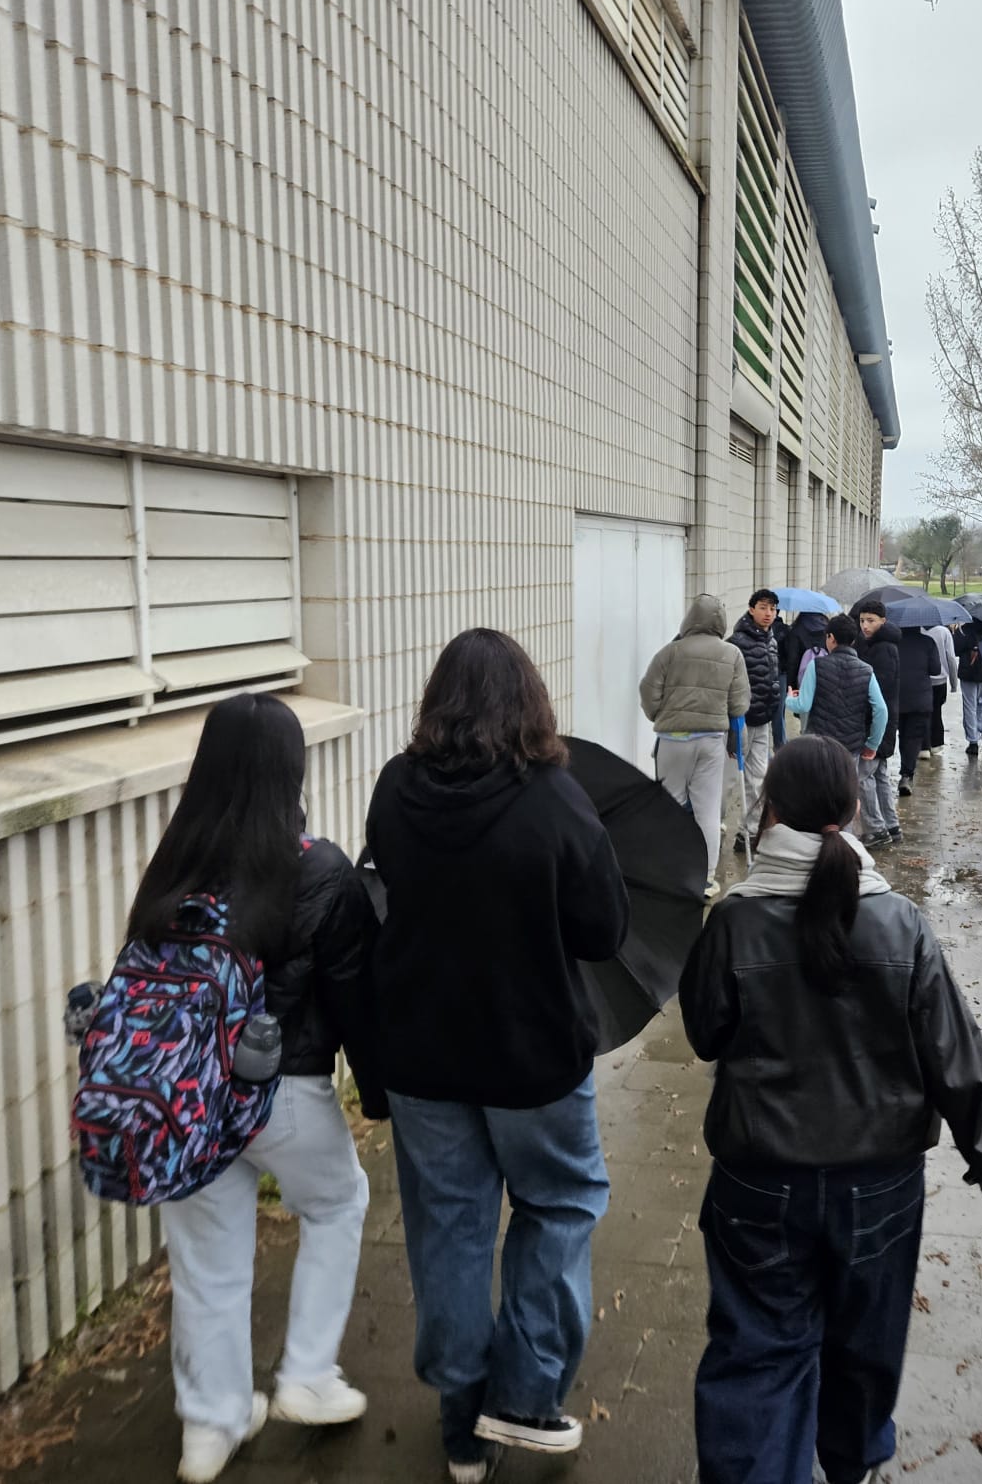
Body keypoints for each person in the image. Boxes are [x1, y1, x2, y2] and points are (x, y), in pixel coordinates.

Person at [679, 735, 982, 1484]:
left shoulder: (733, 921)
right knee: (866, 1345)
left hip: (757, 1183)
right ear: (853, 810)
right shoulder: (901, 923)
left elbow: (706, 1034)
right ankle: (853, 1461)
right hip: (881, 1187)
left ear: (771, 811)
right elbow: (956, 1056)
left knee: (758, 1355)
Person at [364, 629, 631, 1483]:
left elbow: (388, 886)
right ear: (530, 702)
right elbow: (603, 929)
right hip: (533, 1057)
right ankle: (523, 1396)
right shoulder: (554, 799)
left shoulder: (395, 787)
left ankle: (462, 1429)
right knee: (559, 1205)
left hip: (421, 1054)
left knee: (449, 1229)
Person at [132, 693, 376, 1484]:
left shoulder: (173, 868)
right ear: (291, 770)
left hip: (186, 1098)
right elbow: (353, 995)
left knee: (207, 1261)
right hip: (284, 1094)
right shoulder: (319, 868)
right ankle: (306, 1373)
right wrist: (378, 1092)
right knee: (337, 1203)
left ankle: (211, 1426)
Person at [640, 593, 751, 897]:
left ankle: (670, 873)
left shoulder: (670, 651)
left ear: (689, 619)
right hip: (711, 740)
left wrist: (659, 715)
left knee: (670, 805)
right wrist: (735, 738)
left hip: (672, 740)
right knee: (707, 811)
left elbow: (648, 691)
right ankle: (705, 878)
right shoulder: (732, 654)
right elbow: (740, 703)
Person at [786, 614, 891, 846]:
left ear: (830, 638)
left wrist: (788, 699)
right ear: (853, 640)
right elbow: (881, 710)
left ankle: (816, 845)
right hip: (850, 748)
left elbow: (803, 705)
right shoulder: (866, 670)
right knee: (845, 799)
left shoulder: (817, 665)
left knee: (817, 797)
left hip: (819, 745)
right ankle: (844, 846)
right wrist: (872, 744)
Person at [729, 590, 784, 855]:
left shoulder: (771, 640)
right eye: (763, 607)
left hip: (763, 720)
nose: (768, 613)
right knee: (730, 780)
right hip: (741, 721)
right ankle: (712, 826)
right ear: (751, 609)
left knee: (758, 779)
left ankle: (749, 832)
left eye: (772, 609)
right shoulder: (736, 642)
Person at [854, 601, 903, 843]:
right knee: (880, 773)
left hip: (877, 721)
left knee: (864, 775)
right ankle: (891, 825)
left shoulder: (883, 649)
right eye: (862, 620)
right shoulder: (877, 644)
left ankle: (875, 828)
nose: (865, 625)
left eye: (871, 621)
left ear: (883, 621)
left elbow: (878, 692)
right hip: (881, 720)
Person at [893, 623, 941, 797]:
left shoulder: (894, 643)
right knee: (913, 737)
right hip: (921, 698)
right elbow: (936, 669)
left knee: (903, 735)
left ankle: (905, 770)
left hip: (898, 696)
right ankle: (907, 774)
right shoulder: (928, 642)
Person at [954, 618, 982, 757]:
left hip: (968, 671)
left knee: (969, 705)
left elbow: (955, 648)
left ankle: (973, 741)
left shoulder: (965, 630)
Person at [924, 620, 958, 753]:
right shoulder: (944, 632)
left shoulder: (917, 630)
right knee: (937, 712)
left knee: (922, 713)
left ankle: (923, 745)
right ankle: (936, 743)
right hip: (940, 681)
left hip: (922, 679)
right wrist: (954, 683)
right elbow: (951, 658)